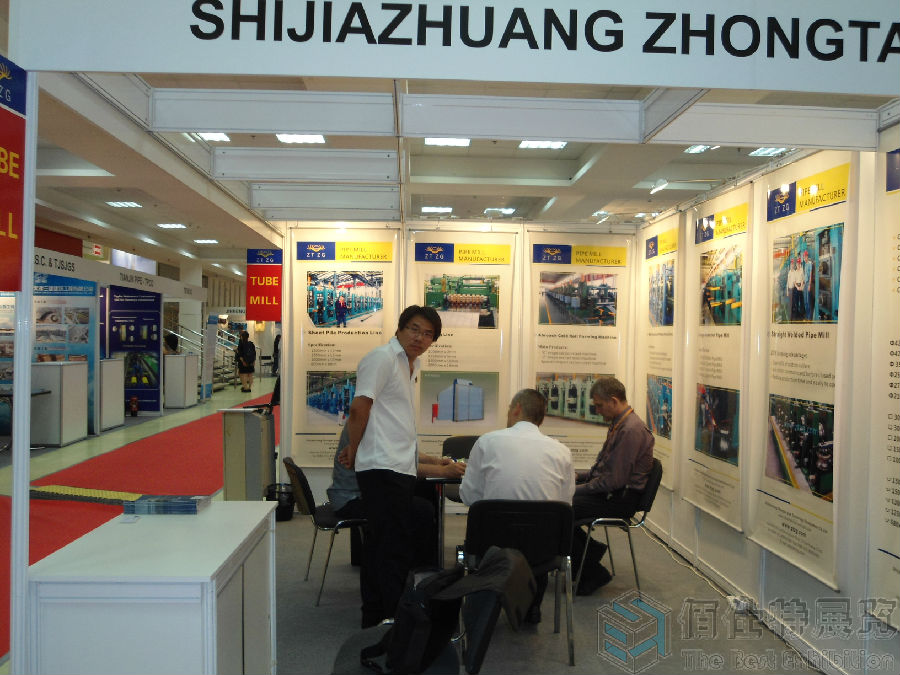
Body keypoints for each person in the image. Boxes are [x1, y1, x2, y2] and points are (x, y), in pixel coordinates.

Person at [338, 305, 444, 627]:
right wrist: (355, 449)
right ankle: (390, 621)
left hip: (397, 467)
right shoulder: (382, 358)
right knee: (391, 550)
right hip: (383, 468)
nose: (420, 338)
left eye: (428, 334)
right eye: (414, 329)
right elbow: (359, 408)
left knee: (382, 547)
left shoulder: (410, 364)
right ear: (399, 329)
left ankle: (376, 618)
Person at [329, 424, 465, 626]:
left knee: (421, 502)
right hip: (353, 499)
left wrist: (437, 462)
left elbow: (405, 455)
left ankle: (422, 579)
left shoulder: (382, 420)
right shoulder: (371, 423)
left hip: (371, 493)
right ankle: (417, 583)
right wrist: (443, 470)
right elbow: (397, 466)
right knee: (420, 511)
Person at [459, 388, 575, 623]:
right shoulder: (562, 452)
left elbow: (469, 497)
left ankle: (486, 609)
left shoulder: (487, 442)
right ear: (541, 418)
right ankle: (531, 608)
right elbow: (564, 505)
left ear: (517, 409)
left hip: (491, 547)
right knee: (537, 538)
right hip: (542, 550)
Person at [573, 377, 654, 596]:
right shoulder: (620, 424)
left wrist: (575, 489)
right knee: (561, 507)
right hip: (612, 494)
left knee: (561, 509)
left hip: (620, 500)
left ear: (614, 401)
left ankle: (592, 571)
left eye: (599, 405)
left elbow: (613, 481)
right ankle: (590, 553)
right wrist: (579, 477)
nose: (597, 410)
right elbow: (604, 469)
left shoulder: (630, 430)